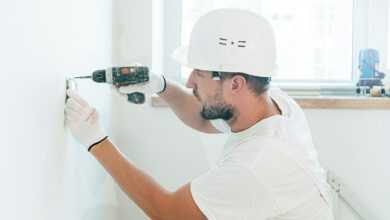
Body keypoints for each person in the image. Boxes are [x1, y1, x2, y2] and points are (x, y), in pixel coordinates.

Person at [65, 8, 335, 220]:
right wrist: (160, 85)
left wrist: (96, 141)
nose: (191, 81)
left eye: (200, 73)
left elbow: (167, 213)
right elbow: (205, 118)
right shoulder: (270, 103)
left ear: (236, 83)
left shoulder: (259, 163)